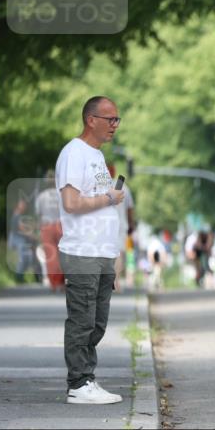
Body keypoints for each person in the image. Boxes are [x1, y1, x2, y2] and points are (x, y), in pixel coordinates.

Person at [55, 96, 125, 405]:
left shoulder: (96, 155)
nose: (115, 125)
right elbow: (71, 203)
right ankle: (78, 384)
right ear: (91, 120)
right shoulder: (74, 153)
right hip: (82, 251)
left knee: (97, 323)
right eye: (110, 119)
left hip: (102, 252)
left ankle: (87, 379)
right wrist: (109, 198)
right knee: (82, 321)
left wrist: (115, 255)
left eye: (117, 119)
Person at [106, 163, 135, 291]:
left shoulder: (101, 187)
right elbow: (130, 208)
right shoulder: (124, 187)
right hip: (120, 224)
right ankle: (116, 282)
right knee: (118, 253)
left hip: (105, 224)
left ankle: (107, 281)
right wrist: (131, 224)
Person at [35, 170, 65, 291]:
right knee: (62, 254)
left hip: (46, 226)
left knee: (50, 255)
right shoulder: (61, 195)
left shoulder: (41, 197)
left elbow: (39, 215)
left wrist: (38, 231)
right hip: (60, 225)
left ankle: (54, 283)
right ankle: (62, 282)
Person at [8, 197, 38, 283]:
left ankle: (20, 277)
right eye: (22, 205)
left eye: (25, 205)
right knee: (24, 258)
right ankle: (18, 277)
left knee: (28, 258)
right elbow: (21, 228)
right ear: (18, 205)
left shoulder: (19, 215)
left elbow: (24, 226)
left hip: (20, 239)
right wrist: (31, 235)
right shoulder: (17, 214)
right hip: (17, 239)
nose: (24, 207)